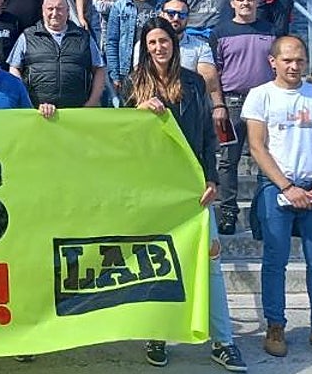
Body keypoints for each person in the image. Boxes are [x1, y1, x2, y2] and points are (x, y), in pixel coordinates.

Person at [125, 20, 246, 372]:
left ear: (174, 43)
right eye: (152, 42)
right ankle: (157, 335)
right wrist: (137, 113)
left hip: (192, 186)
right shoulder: (134, 83)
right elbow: (120, 135)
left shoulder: (193, 82)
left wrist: (212, 178)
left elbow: (208, 135)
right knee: (155, 265)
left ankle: (223, 342)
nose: (158, 48)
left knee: (211, 262)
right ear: (145, 47)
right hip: (151, 187)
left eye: (163, 41)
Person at [245, 35, 312, 363]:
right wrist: (286, 187)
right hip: (276, 189)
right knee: (275, 260)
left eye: (300, 61)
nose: (294, 66)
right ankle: (275, 326)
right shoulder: (260, 96)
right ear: (273, 62)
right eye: (288, 60)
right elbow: (257, 146)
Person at [210, 0, 276, 234]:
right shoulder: (219, 32)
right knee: (228, 160)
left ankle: (265, 214)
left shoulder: (271, 30)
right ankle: (228, 213)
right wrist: (218, 104)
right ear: (232, 3)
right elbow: (213, 73)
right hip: (231, 103)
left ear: (258, 2)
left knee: (268, 157)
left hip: (265, 103)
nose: (245, 3)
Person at [8, 0, 106, 108]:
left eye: (59, 9)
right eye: (50, 9)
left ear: (67, 11)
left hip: (77, 111)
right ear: (43, 11)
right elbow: (14, 68)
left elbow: (99, 69)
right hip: (38, 112)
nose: (54, 13)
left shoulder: (84, 37)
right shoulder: (27, 36)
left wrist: (92, 102)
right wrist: (26, 102)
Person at [104, 0, 164, 91]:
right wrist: (115, 75)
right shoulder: (119, 6)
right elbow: (112, 42)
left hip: (161, 71)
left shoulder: (166, 5)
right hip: (129, 72)